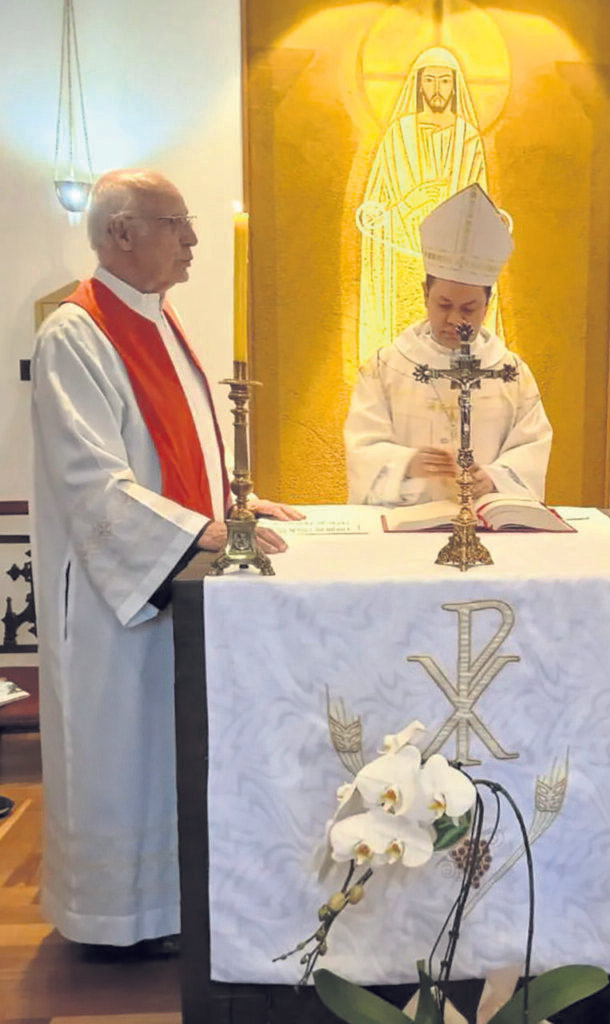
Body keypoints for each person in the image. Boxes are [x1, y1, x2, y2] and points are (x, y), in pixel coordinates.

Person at [31, 169, 299, 951]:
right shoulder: (75, 335)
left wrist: (230, 509)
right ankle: (117, 921)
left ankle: (176, 908)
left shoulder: (159, 321)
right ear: (120, 234)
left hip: (169, 571)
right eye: (175, 223)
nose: (191, 240)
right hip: (119, 601)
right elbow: (93, 481)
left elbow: (176, 451)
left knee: (173, 751)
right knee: (123, 756)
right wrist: (197, 533)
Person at [345, 183, 552, 506]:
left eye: (468, 308)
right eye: (443, 305)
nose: (455, 319)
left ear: (488, 303)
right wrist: (408, 464)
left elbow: (532, 446)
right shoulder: (386, 367)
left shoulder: (510, 372)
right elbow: (362, 446)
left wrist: (495, 478)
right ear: (426, 295)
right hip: (408, 521)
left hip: (486, 524)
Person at [356, 46, 492, 362]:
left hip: (452, 272)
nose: (436, 89)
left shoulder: (468, 139)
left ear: (454, 86)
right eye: (429, 80)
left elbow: (481, 212)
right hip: (404, 265)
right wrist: (408, 203)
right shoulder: (397, 137)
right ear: (418, 84)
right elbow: (373, 215)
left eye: (444, 81)